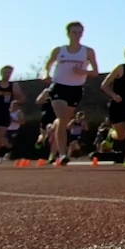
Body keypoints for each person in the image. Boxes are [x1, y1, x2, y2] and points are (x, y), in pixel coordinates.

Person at [42, 21, 99, 166]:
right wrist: (45, 74)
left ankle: (55, 127)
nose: (77, 35)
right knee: (62, 119)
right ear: (68, 34)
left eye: (80, 32)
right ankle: (62, 154)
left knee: (63, 121)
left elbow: (95, 72)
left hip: (75, 88)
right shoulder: (59, 50)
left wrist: (83, 72)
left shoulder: (87, 51)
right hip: (59, 87)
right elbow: (47, 65)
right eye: (74, 32)